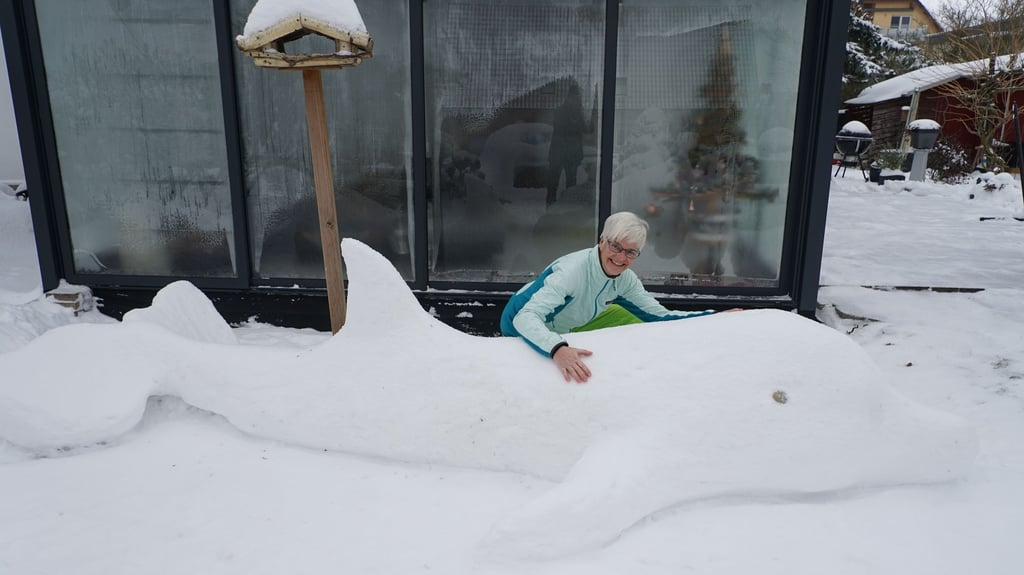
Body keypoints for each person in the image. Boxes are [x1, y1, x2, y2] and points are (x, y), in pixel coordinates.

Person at [501, 211, 720, 384]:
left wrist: (715, 317)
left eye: (631, 252)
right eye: (616, 246)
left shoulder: (625, 279)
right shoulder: (572, 273)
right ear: (602, 241)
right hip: (517, 322)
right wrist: (557, 349)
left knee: (630, 317)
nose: (621, 257)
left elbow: (658, 315)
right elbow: (525, 318)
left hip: (572, 318)